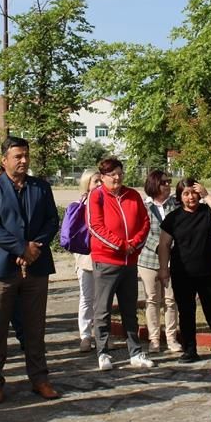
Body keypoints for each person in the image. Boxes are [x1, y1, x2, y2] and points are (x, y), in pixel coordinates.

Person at [0, 137, 61, 403]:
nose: (24, 160)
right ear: (4, 160)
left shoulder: (40, 187)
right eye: (18, 156)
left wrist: (35, 248)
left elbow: (52, 220)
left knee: (35, 328)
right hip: (2, 269)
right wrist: (20, 248)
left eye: (26, 155)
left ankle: (40, 379)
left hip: (37, 266)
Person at [87, 157, 154, 372]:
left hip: (130, 262)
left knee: (129, 309)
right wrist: (120, 245)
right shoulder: (96, 196)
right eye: (112, 174)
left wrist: (134, 244)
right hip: (106, 261)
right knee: (102, 309)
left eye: (120, 173)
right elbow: (95, 226)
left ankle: (135, 352)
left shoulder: (132, 195)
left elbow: (145, 222)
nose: (117, 178)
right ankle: (103, 351)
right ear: (103, 177)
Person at [157, 178, 211, 362]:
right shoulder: (173, 218)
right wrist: (163, 269)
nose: (191, 197)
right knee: (186, 313)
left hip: (208, 273)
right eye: (186, 194)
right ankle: (190, 350)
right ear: (180, 197)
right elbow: (164, 245)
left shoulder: (206, 212)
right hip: (183, 274)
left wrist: (207, 195)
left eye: (194, 193)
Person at [137, 170, 181, 354]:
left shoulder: (176, 204)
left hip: (173, 259)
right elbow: (141, 231)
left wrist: (171, 247)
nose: (168, 185)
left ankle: (171, 338)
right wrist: (161, 247)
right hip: (148, 260)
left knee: (171, 300)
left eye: (169, 181)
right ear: (154, 184)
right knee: (152, 300)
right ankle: (154, 339)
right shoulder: (143, 206)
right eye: (164, 182)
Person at [70, 169, 101, 351]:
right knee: (87, 297)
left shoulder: (106, 203)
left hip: (105, 257)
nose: (99, 184)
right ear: (87, 184)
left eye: (100, 181)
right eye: (95, 181)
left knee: (103, 299)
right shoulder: (79, 205)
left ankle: (101, 335)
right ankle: (86, 335)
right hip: (85, 258)